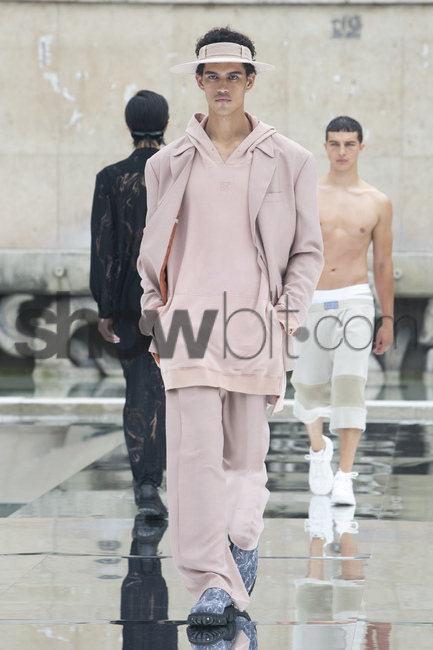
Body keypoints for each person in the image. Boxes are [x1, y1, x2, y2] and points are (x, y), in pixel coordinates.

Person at [137, 27, 323, 625]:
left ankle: (242, 542)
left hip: (255, 324)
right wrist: (155, 311)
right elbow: (153, 250)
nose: (222, 87)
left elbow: (308, 252)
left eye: (233, 76)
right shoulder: (166, 165)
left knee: (245, 459)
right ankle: (210, 584)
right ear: (197, 81)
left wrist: (286, 314)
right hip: (186, 324)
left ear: (250, 81)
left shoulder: (290, 159)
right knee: (193, 463)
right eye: (211, 76)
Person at [291, 116, 394, 506]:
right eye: (334, 144)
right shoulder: (308, 195)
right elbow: (292, 253)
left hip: (355, 299)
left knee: (351, 386)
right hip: (312, 298)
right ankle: (319, 450)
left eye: (349, 144)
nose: (341, 152)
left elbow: (383, 263)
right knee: (308, 386)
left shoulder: (377, 202)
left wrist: (386, 317)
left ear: (361, 148)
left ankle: (346, 476)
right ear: (325, 146)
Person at [90, 90, 169, 519]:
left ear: (128, 125)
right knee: (181, 391)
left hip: (128, 303)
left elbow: (104, 247)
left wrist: (104, 308)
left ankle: (146, 485)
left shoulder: (111, 177)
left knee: (140, 394)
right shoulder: (181, 170)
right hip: (180, 298)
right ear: (167, 124)